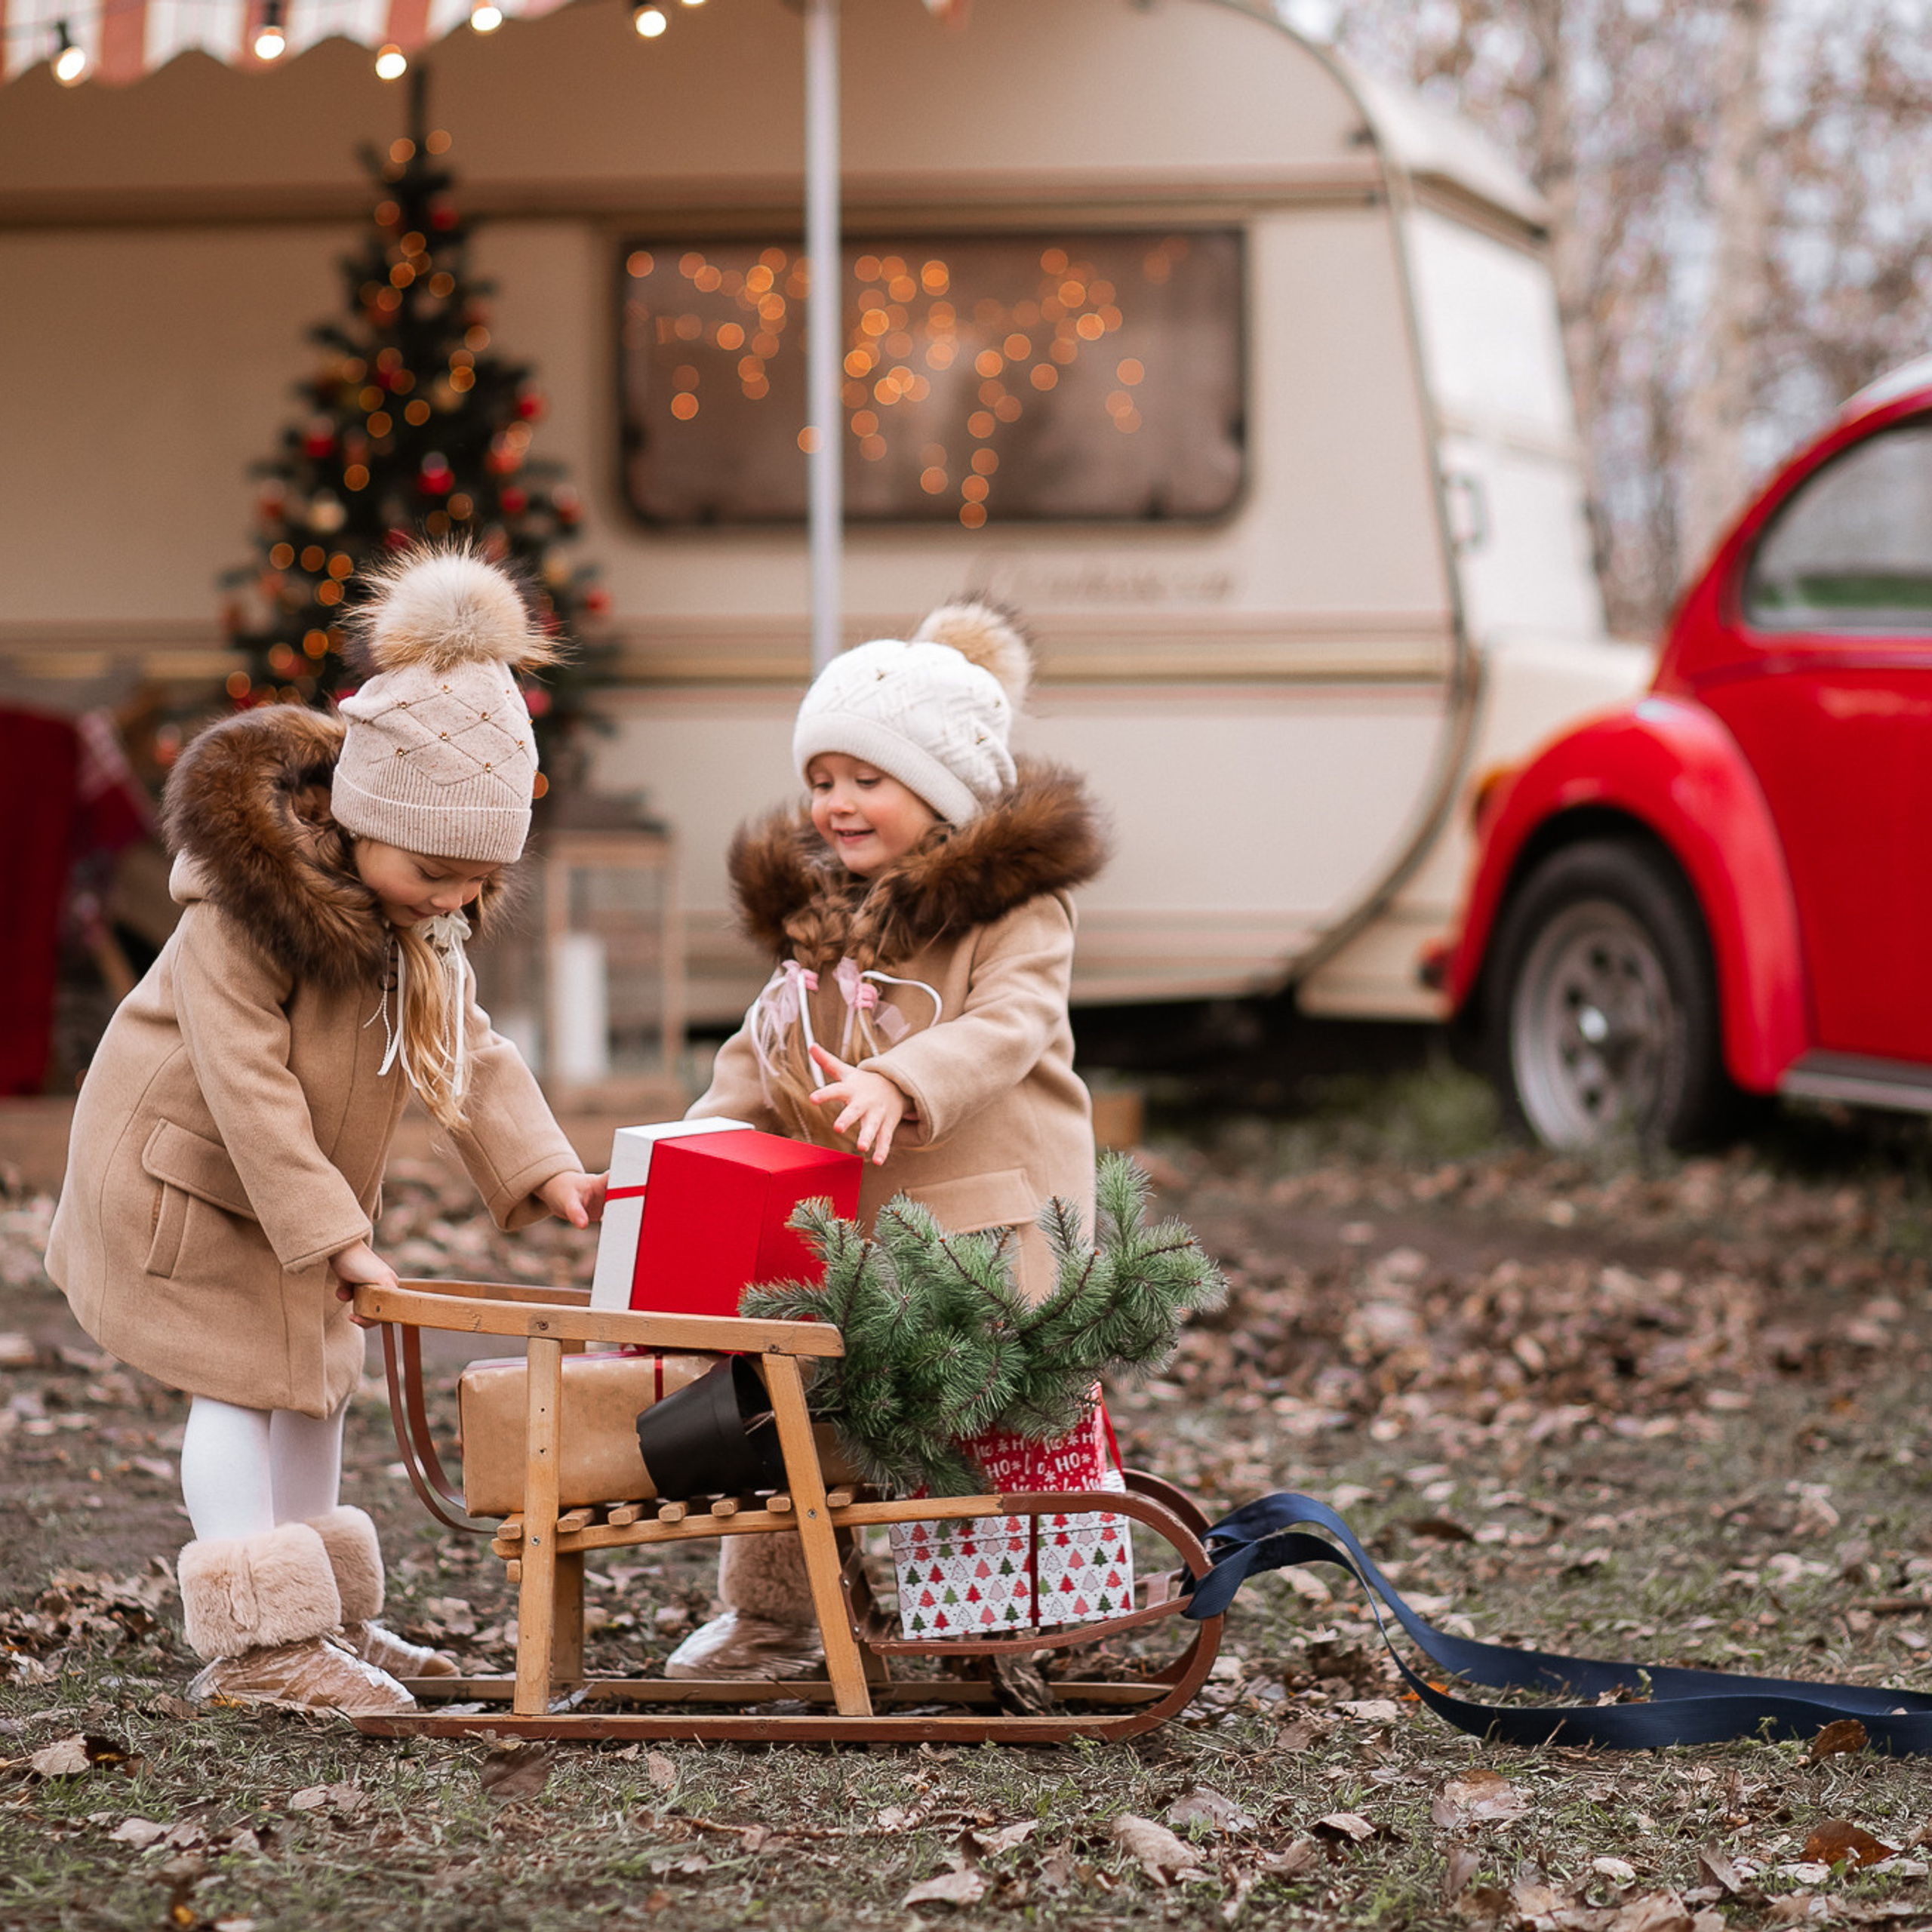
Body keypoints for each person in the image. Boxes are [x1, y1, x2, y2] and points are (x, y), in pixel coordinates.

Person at [45, 546, 607, 1713]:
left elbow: (470, 1043)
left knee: (313, 1383)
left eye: (477, 879)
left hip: (288, 1192)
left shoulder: (416, 912)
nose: (453, 899)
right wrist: (335, 1233)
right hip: (185, 1183)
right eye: (435, 870)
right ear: (359, 820)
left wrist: (543, 1166)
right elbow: (243, 1082)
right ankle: (256, 1646)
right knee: (240, 1386)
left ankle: (330, 1620)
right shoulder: (241, 919)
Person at [664, 598, 1108, 1680]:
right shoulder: (826, 918)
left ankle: (1016, 1620)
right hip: (860, 1233)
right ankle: (775, 1616)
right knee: (789, 1399)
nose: (836, 805)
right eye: (821, 780)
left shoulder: (1016, 911)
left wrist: (903, 1081)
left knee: (981, 1423)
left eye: (867, 779)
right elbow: (764, 1052)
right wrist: (674, 1157)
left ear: (943, 789)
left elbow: (1013, 1024)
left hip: (990, 1226)